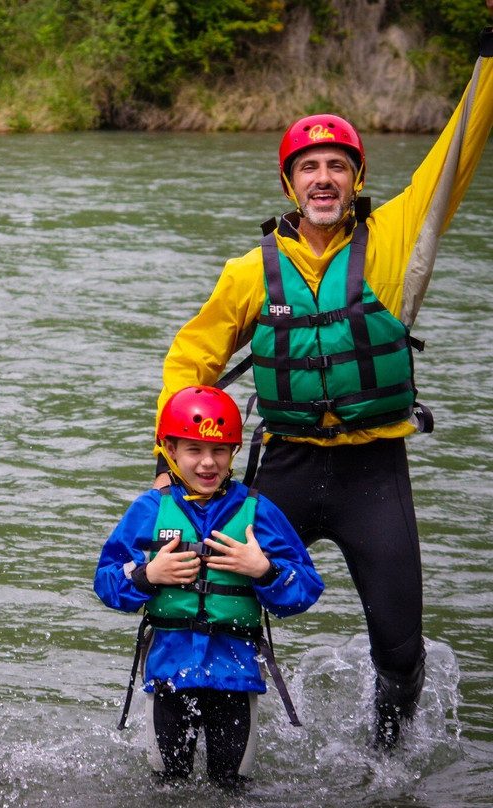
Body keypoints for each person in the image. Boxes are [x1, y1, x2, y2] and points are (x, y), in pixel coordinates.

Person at [155, 5, 493, 749]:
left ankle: (387, 764)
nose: (323, 177)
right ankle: (214, 766)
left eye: (337, 164)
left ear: (356, 177)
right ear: (290, 182)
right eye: (308, 166)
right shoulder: (251, 271)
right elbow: (193, 359)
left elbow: (457, 153)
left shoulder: (396, 238)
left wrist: (490, 58)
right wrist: (168, 456)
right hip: (288, 464)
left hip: (374, 469)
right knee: (216, 606)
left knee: (401, 646)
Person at [97, 386, 323, 785]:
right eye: (194, 450)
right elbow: (106, 582)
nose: (207, 462)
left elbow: (305, 587)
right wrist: (148, 575)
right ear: (169, 449)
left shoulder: (257, 511)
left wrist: (264, 570)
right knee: (168, 787)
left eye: (219, 451)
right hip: (169, 671)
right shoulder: (149, 510)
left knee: (232, 788)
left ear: (234, 452)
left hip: (236, 675)